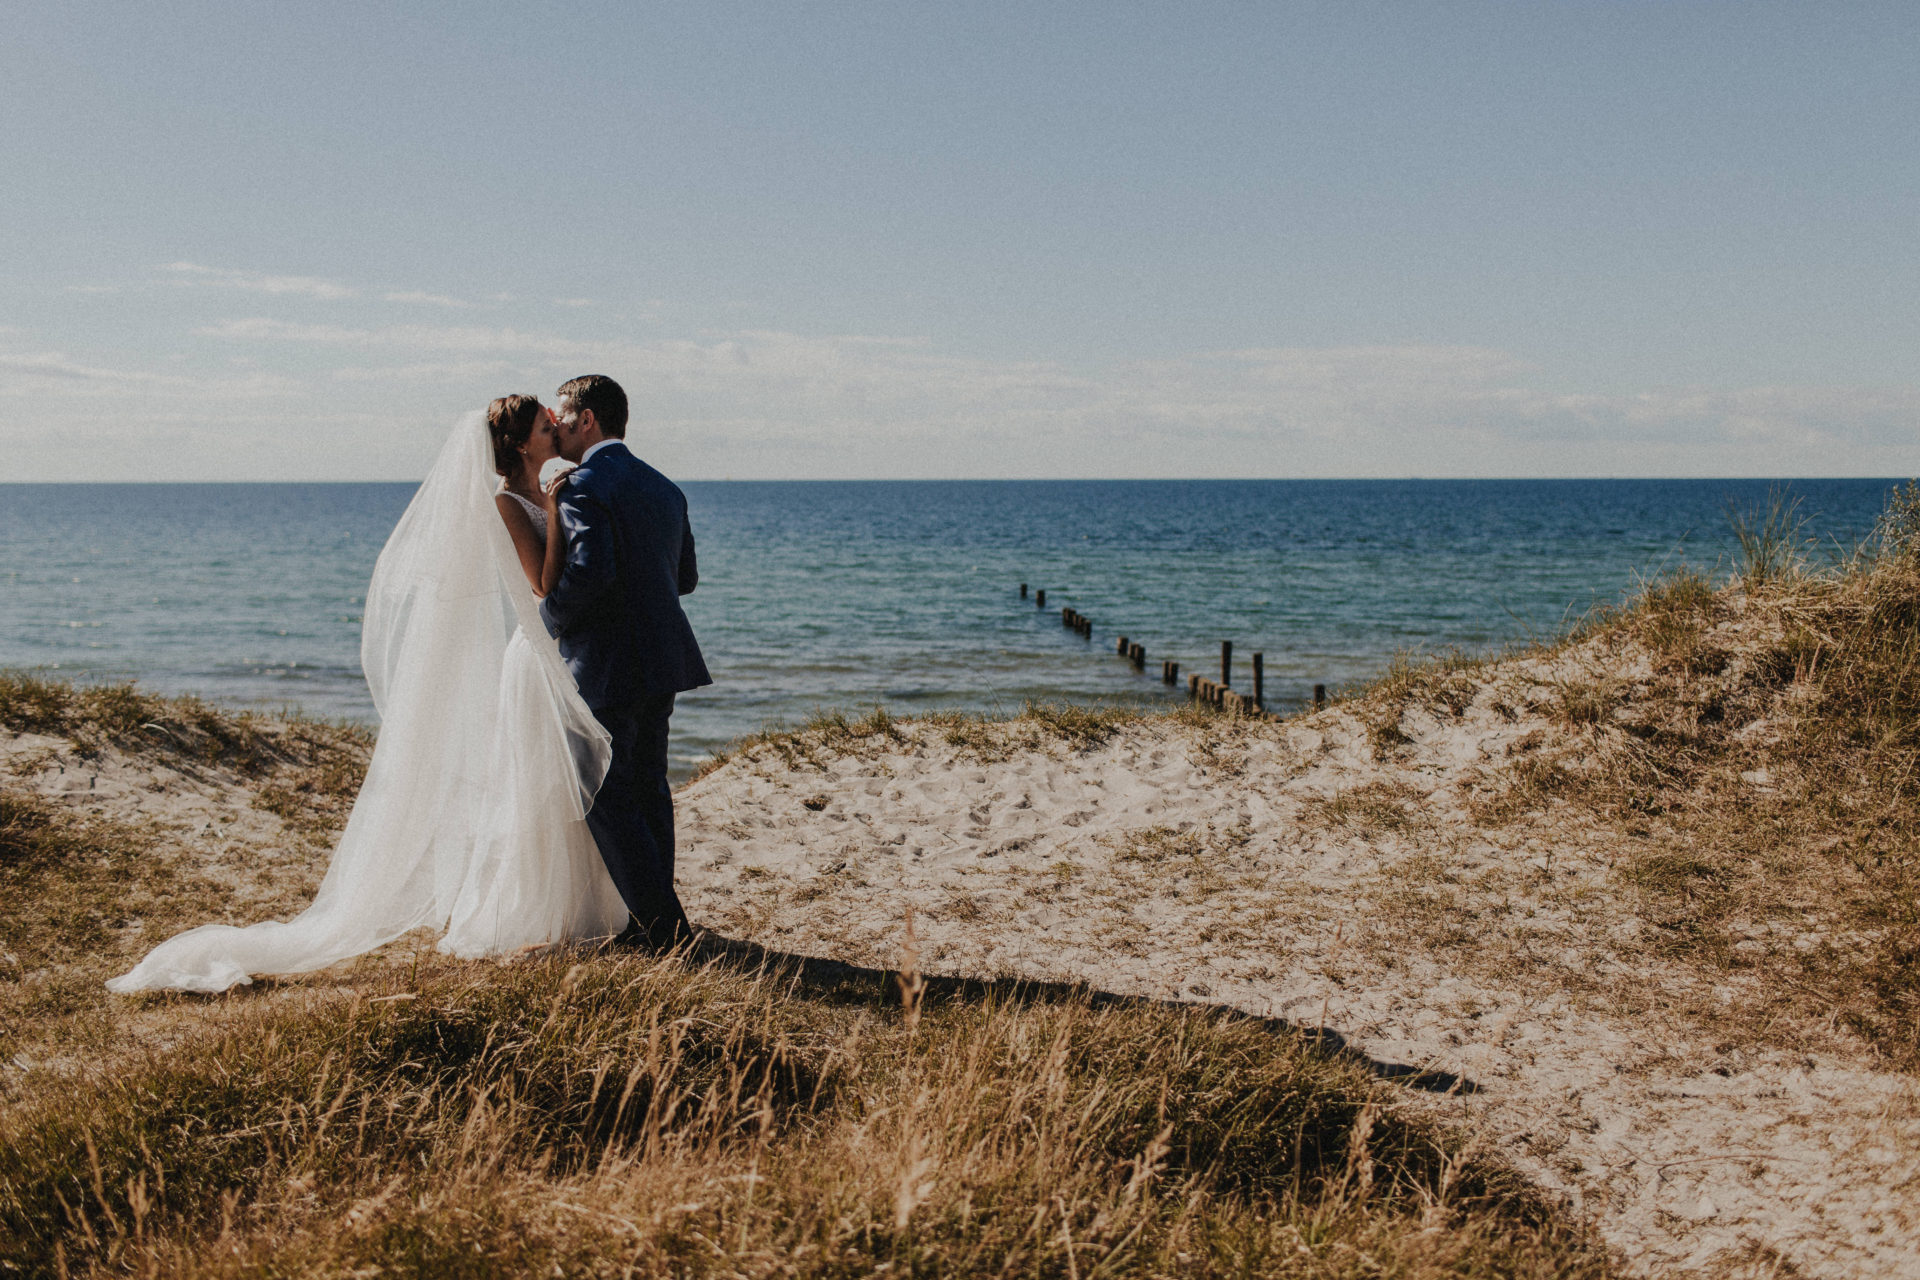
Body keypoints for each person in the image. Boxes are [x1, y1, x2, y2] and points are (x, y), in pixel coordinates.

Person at [107, 399, 628, 993]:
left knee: (560, 783)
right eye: (544, 426)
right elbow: (541, 585)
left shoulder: (545, 491)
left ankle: (587, 911)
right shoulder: (510, 503)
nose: (554, 429)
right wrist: (558, 511)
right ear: (518, 446)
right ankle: (533, 914)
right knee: (534, 788)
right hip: (531, 662)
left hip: (552, 656)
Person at [541, 374, 711, 951]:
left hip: (605, 663)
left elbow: (590, 571)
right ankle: (652, 925)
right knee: (647, 790)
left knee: (601, 794)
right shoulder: (665, 487)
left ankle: (664, 930)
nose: (557, 426)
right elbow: (684, 578)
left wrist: (548, 620)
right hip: (661, 659)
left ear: (587, 419)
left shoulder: (582, 487)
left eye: (562, 416)